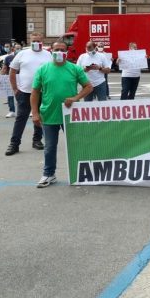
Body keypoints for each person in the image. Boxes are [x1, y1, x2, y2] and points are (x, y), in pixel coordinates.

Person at [31, 41, 92, 188]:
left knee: (76, 144)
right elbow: (35, 92)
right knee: (50, 147)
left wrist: (75, 98)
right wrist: (35, 113)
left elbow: (88, 87)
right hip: (49, 114)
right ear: (51, 51)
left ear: (67, 52)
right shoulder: (43, 69)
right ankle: (48, 174)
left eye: (62, 50)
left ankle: (82, 172)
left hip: (70, 114)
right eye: (56, 49)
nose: (59, 52)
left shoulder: (74, 68)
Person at [6, 33, 51, 156]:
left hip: (43, 92)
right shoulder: (22, 54)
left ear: (42, 41)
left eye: (38, 40)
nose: (36, 42)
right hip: (25, 92)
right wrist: (15, 89)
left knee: (39, 117)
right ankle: (14, 144)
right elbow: (12, 71)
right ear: (30, 41)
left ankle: (37, 140)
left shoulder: (48, 55)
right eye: (33, 41)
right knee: (21, 118)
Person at [0, 52, 16, 118]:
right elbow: (4, 68)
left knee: (24, 96)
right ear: (13, 49)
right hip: (9, 78)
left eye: (19, 48)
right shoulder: (9, 58)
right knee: (10, 95)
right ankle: (12, 111)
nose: (17, 50)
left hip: (21, 78)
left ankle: (28, 110)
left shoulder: (24, 56)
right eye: (16, 48)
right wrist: (0, 78)